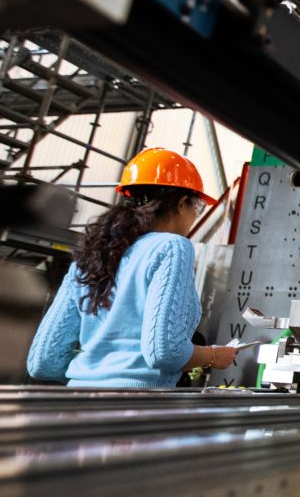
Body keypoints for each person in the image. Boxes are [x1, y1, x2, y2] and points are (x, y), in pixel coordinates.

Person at [26, 147, 237, 388]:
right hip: (134, 410)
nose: (194, 217)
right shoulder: (171, 246)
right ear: (181, 204)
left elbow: (43, 361)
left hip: (74, 406)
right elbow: (164, 352)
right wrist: (212, 356)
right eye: (196, 208)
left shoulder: (92, 254)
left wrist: (97, 370)